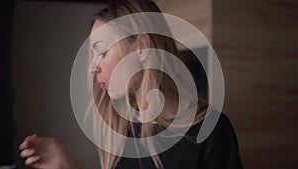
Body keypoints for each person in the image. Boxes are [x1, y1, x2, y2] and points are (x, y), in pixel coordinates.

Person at [19, 0, 243, 169]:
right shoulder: (121, 132)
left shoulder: (210, 132)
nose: (92, 67)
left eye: (103, 51)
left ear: (142, 47)